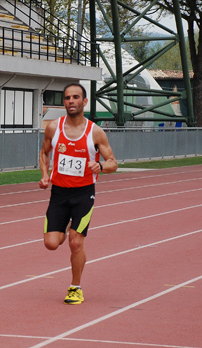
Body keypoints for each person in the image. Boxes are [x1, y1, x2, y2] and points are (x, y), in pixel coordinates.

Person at [39, 83, 117, 305]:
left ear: (84, 102)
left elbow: (113, 162)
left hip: (84, 194)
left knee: (75, 242)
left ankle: (75, 287)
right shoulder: (54, 127)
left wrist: (100, 167)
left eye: (75, 97)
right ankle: (64, 228)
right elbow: (44, 153)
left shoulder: (95, 132)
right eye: (66, 98)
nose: (70, 101)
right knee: (52, 243)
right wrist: (45, 175)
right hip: (59, 193)